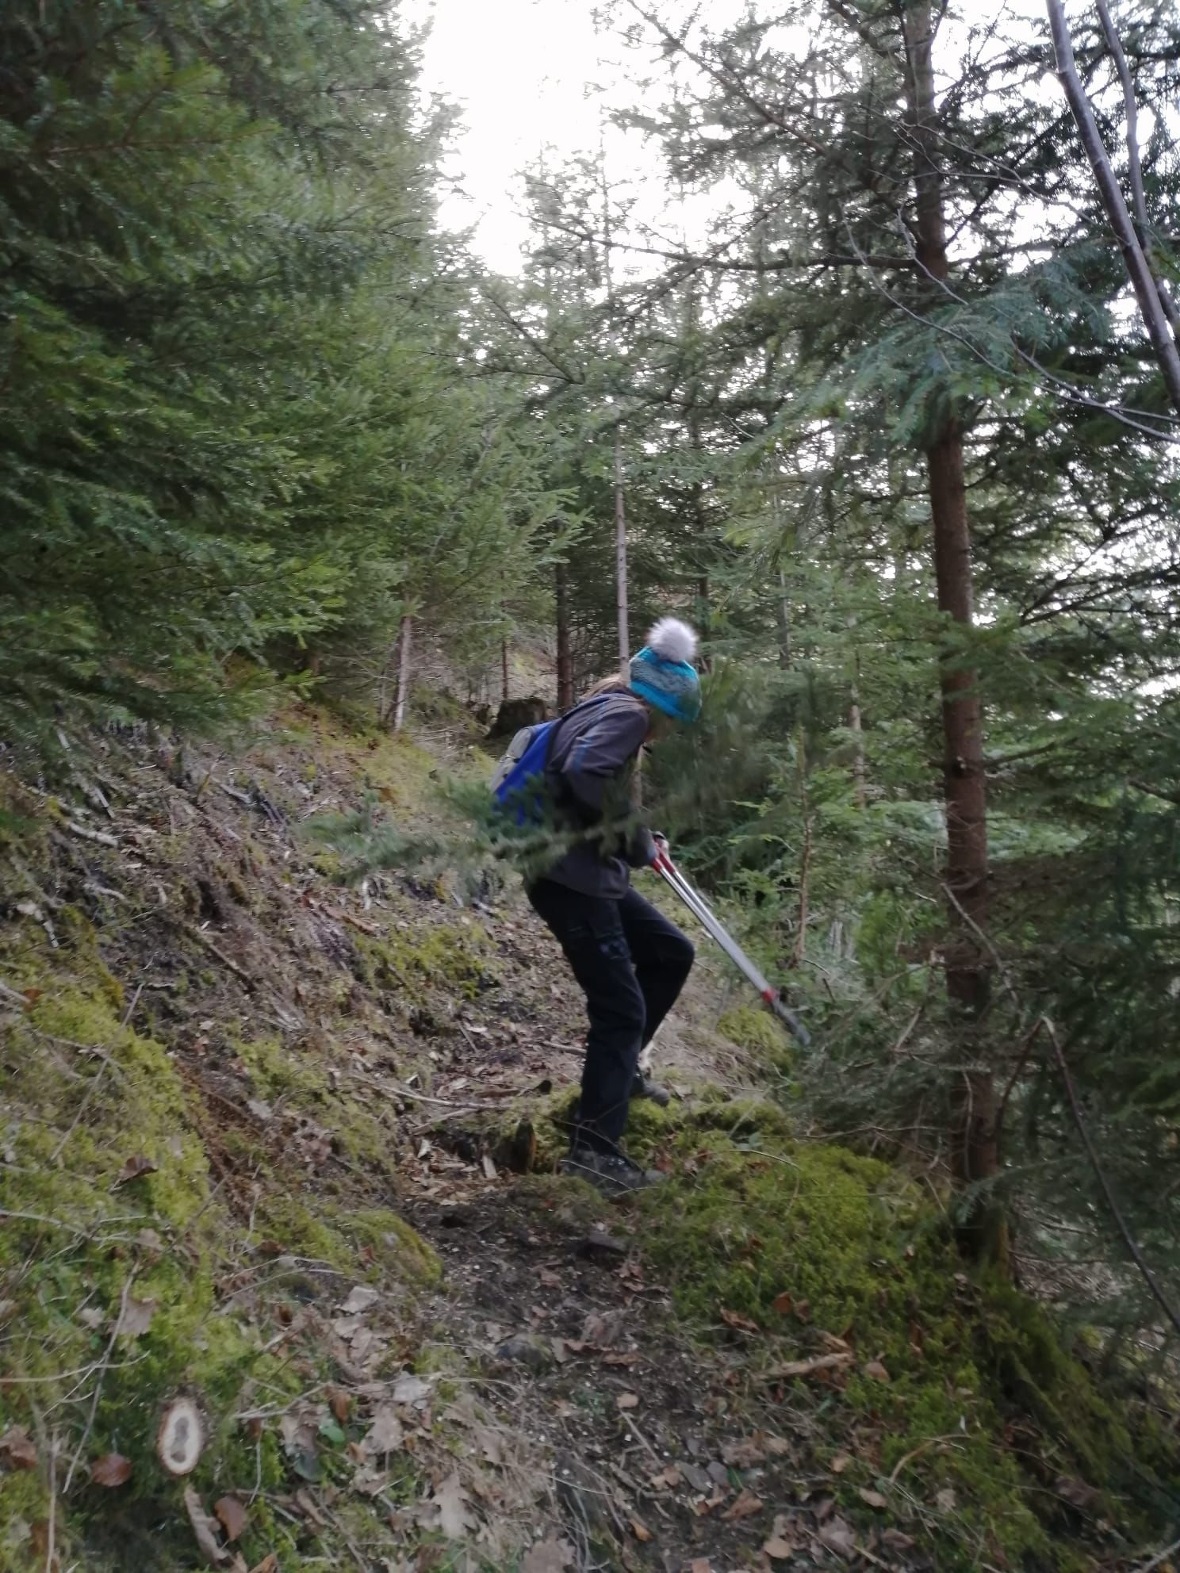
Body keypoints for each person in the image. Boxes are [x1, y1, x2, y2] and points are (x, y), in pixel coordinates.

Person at [527, 618, 702, 1196]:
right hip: (570, 878)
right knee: (620, 1009)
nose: (669, 733)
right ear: (663, 708)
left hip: (582, 870)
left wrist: (641, 841)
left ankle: (619, 1073)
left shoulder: (605, 704)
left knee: (669, 951)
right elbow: (584, 774)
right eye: (673, 723)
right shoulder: (627, 714)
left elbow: (591, 787)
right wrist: (633, 842)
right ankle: (594, 1151)